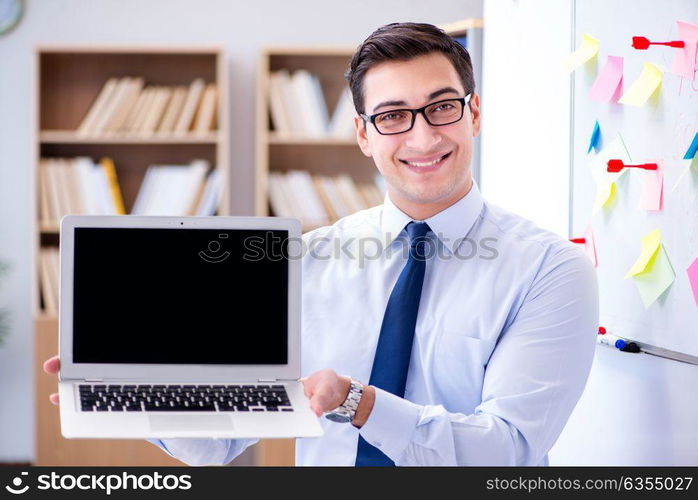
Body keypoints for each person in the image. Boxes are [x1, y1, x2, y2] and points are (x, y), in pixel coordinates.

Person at [43, 22, 598, 466]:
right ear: (363, 134)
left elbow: (505, 450)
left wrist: (359, 403)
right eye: (393, 116)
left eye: (442, 106)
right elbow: (216, 448)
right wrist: (140, 399)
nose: (423, 136)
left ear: (473, 113)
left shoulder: (551, 269)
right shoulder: (306, 258)